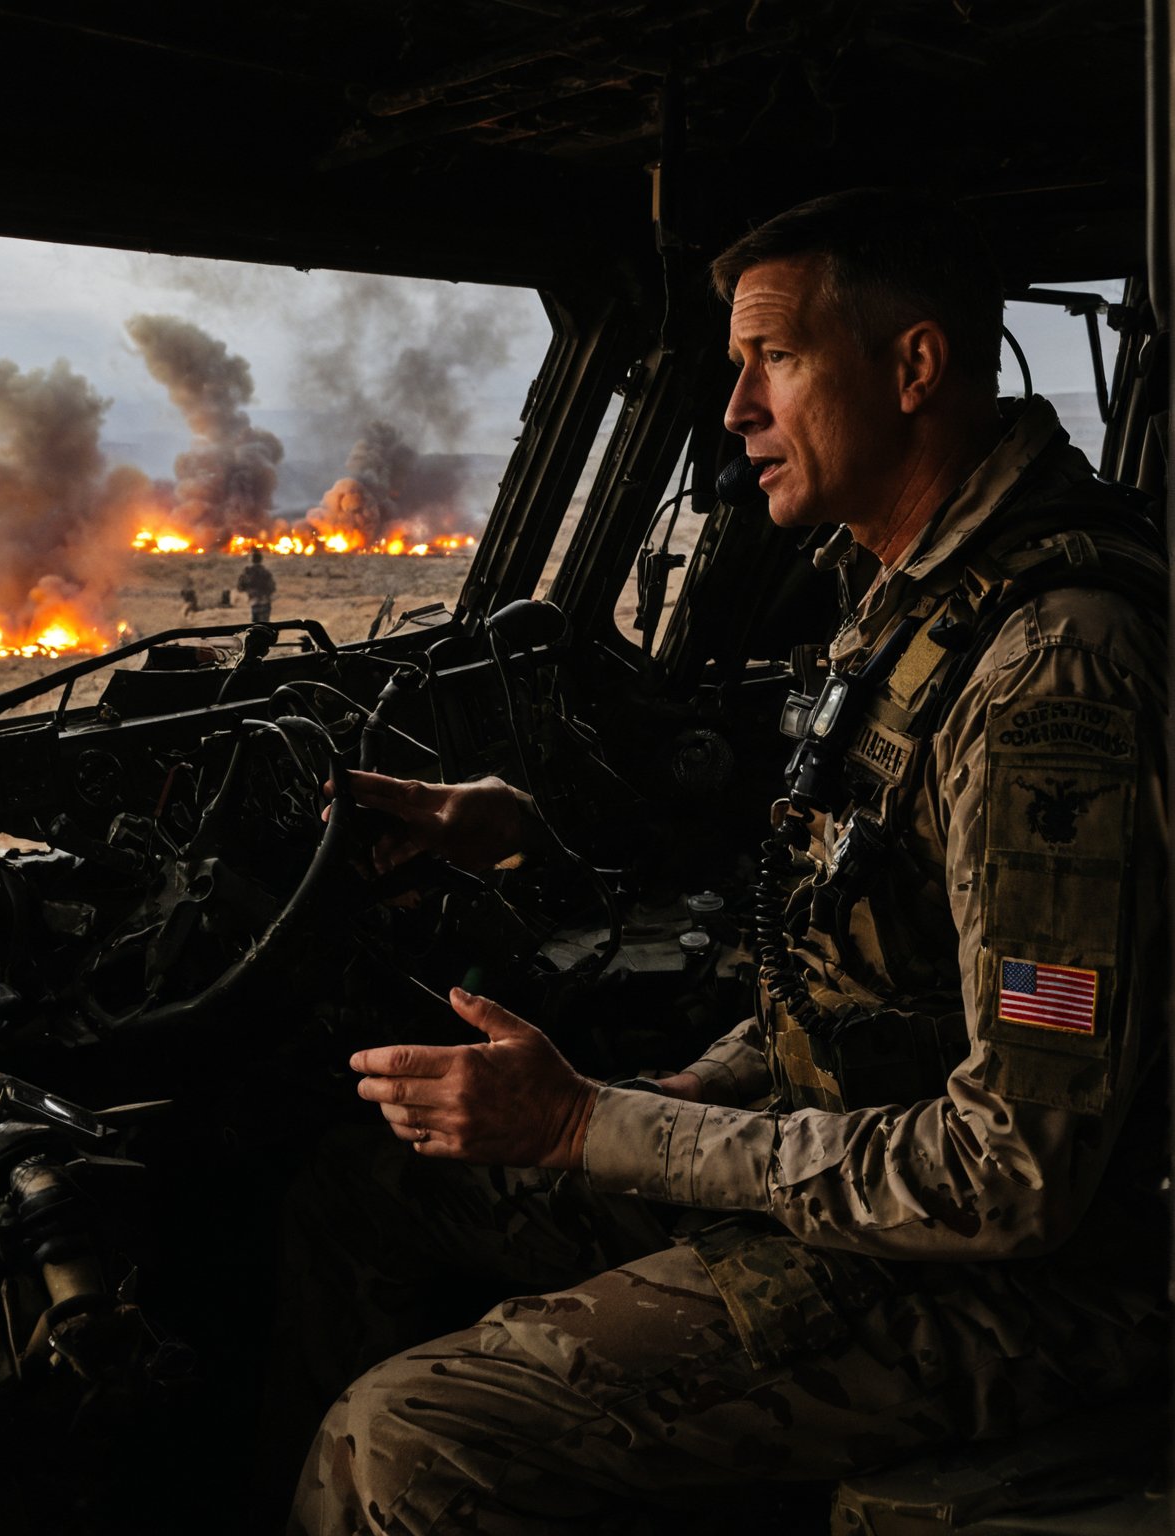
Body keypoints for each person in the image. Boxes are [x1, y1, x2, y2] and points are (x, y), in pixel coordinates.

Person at [284, 188, 1169, 1534]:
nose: (732, 408)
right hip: (887, 1180)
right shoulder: (917, 597)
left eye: (777, 359)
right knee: (357, 1188)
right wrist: (693, 1084)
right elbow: (876, 938)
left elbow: (1016, 1174)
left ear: (914, 368)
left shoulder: (1055, 676)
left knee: (410, 1442)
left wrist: (603, 1126)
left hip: (1040, 1282)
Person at [238, 546, 276, 622]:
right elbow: (272, 587)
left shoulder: (247, 572)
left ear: (251, 559)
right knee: (265, 626)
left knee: (255, 627)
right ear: (260, 559)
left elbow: (240, 587)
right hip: (265, 602)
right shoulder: (265, 572)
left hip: (254, 602)